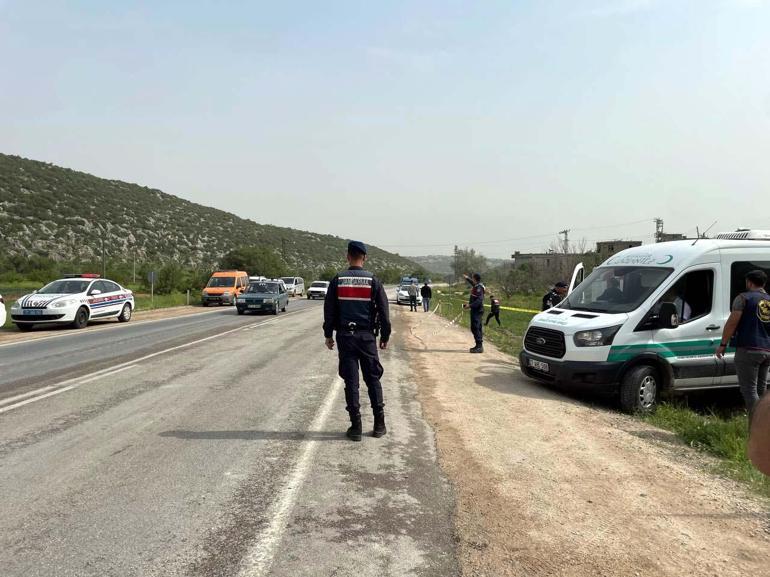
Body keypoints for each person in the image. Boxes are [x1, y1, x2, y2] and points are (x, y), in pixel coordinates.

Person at [324, 241, 391, 441]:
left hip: (346, 337)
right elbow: (384, 313)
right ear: (365, 258)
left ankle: (356, 427)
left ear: (347, 256)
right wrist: (385, 336)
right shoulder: (373, 281)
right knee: (373, 379)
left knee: (351, 381)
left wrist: (328, 334)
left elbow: (329, 311)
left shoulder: (338, 280)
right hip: (367, 337)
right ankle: (379, 425)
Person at [716, 270, 770, 415]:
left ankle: (755, 427)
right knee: (761, 389)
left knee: (749, 390)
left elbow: (732, 323)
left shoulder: (743, 298)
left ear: (749, 282)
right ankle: (765, 427)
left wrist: (722, 344)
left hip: (748, 349)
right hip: (767, 350)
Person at [462, 273, 485, 353]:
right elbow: (472, 283)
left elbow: (479, 300)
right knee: (476, 327)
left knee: (475, 327)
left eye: (472, 278)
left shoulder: (479, 288)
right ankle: (478, 345)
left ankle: (479, 346)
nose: (472, 280)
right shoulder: (476, 285)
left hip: (477, 310)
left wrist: (470, 305)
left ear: (475, 279)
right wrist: (467, 278)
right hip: (475, 310)